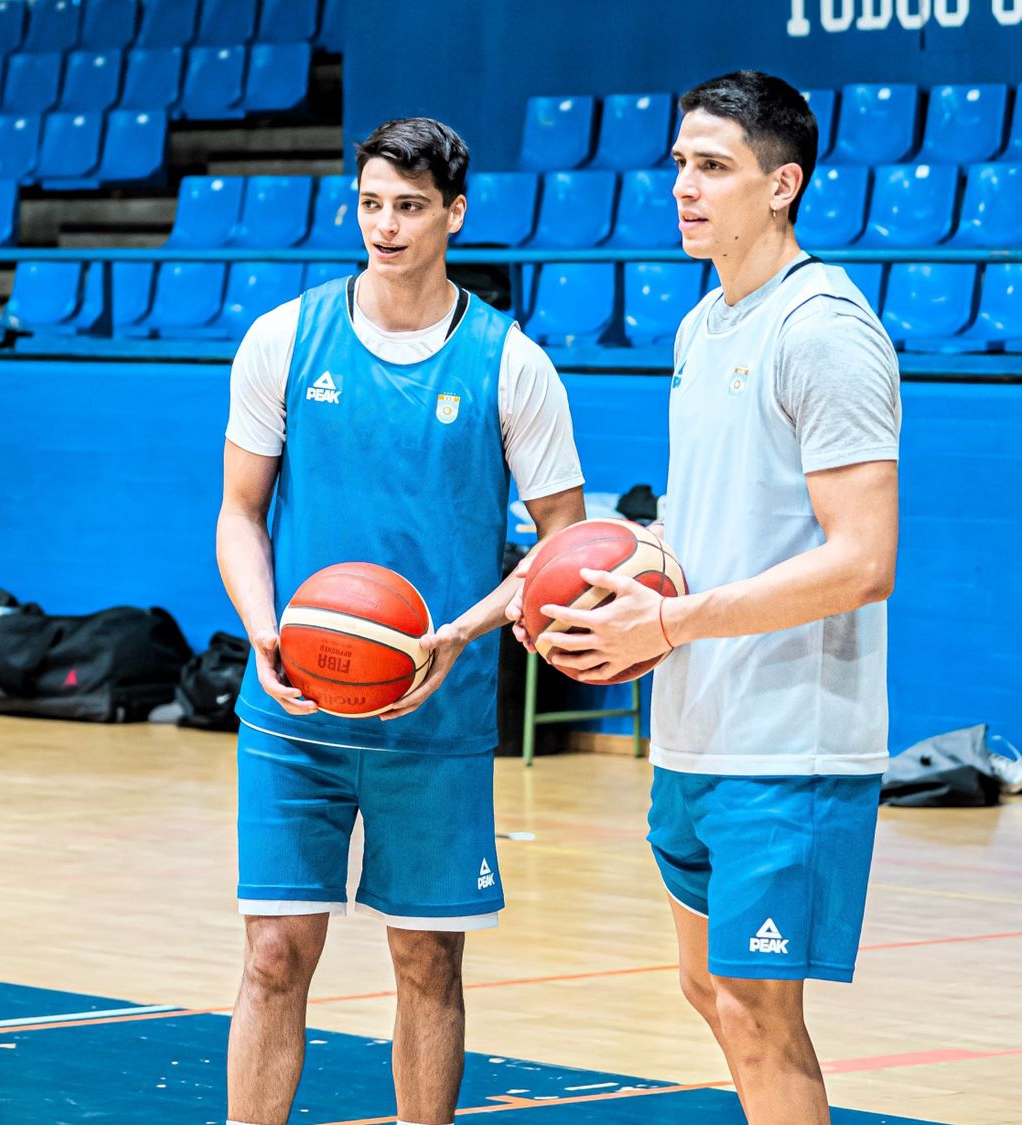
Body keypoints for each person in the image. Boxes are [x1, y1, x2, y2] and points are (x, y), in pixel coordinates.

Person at [509, 71, 900, 1124]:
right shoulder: (702, 328)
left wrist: (670, 620)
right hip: (695, 729)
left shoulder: (824, 328)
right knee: (711, 992)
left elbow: (863, 560)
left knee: (763, 1018)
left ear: (784, 185)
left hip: (790, 744)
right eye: (680, 163)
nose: (685, 187)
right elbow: (704, 524)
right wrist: (581, 582)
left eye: (714, 168)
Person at [216, 117, 586, 1125]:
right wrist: (261, 626)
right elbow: (239, 515)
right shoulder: (284, 340)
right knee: (275, 951)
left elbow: (564, 550)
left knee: (427, 958)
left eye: (411, 207)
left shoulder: (513, 366)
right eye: (372, 203)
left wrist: (461, 633)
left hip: (436, 712)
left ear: (455, 213)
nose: (385, 225)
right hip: (294, 707)